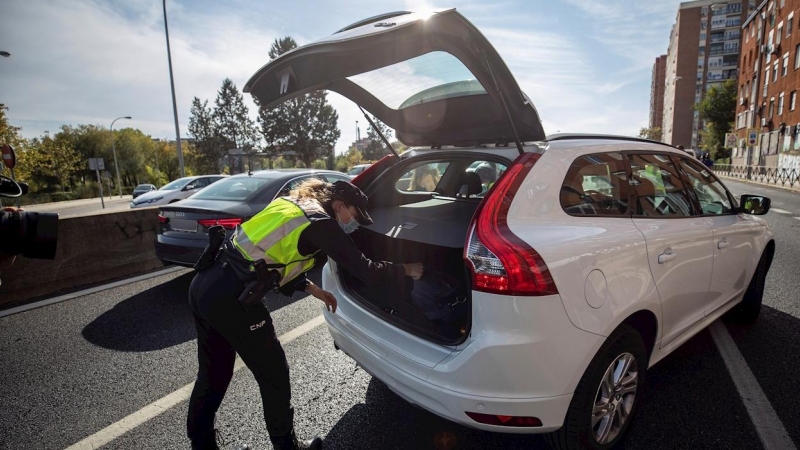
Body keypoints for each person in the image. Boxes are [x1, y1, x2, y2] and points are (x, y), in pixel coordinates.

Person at [186, 179, 424, 450]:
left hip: (205, 284)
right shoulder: (321, 222)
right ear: (341, 206)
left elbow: (270, 256)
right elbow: (365, 269)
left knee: (213, 373)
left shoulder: (294, 203)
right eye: (355, 216)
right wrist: (406, 269)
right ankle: (287, 446)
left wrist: (314, 289)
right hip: (232, 298)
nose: (354, 224)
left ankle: (202, 444)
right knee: (274, 374)